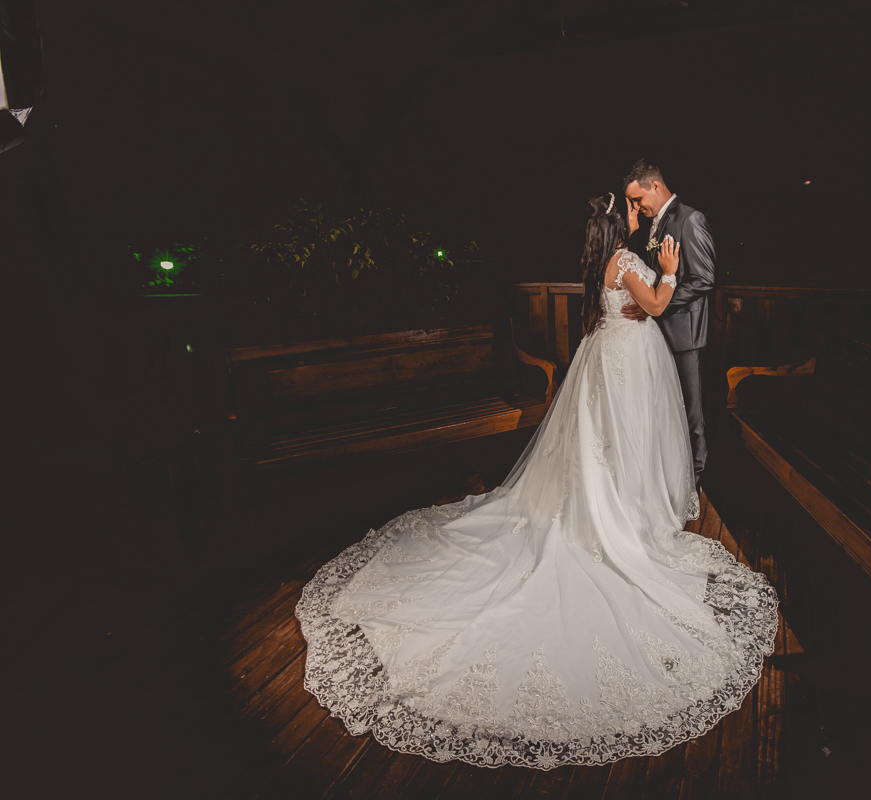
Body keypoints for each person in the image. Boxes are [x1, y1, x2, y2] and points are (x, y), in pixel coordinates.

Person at [295, 192, 778, 771]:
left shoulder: (604, 259)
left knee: (609, 444)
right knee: (620, 442)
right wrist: (670, 272)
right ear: (616, 223)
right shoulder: (626, 259)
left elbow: (628, 303)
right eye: (628, 209)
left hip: (610, 356)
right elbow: (653, 304)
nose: (636, 213)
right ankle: (621, 517)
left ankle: (620, 504)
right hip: (626, 361)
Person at [622, 159, 715, 492]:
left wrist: (656, 306)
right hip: (657, 335)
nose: (635, 207)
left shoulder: (690, 219)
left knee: (691, 413)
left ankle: (695, 483)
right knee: (666, 410)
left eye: (637, 199)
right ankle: (671, 478)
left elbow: (703, 279)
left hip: (685, 335)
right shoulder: (653, 225)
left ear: (656, 186)